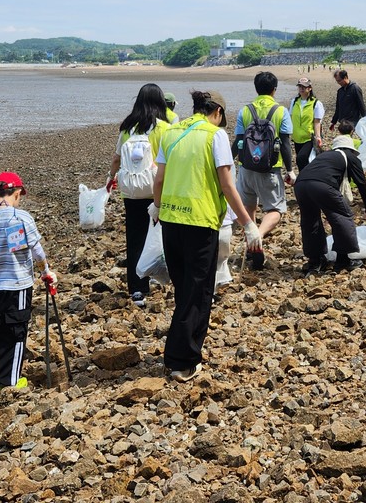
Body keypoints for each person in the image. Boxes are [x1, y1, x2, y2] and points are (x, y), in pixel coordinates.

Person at [154, 90, 260, 381]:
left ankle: (179, 353)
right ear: (218, 112)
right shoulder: (215, 136)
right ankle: (182, 360)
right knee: (197, 292)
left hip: (170, 221)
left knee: (183, 288)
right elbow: (227, 185)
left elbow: (159, 178)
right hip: (200, 223)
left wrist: (157, 205)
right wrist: (248, 223)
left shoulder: (172, 131)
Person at [0, 172, 54, 395]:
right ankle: (8, 381)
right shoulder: (21, 217)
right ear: (17, 194)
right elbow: (36, 250)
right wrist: (46, 272)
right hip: (17, 284)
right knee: (16, 332)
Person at [106, 83, 171, 307]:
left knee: (134, 238)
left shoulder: (127, 127)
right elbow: (168, 160)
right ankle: (158, 275)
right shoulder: (163, 127)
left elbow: (116, 158)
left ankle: (137, 289)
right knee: (159, 235)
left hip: (131, 190)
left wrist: (110, 178)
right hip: (155, 189)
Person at [233, 71, 294, 270]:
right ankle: (257, 236)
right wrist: (290, 170)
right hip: (270, 169)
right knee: (275, 209)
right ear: (274, 90)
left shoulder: (245, 110)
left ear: (256, 88)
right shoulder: (280, 111)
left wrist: (227, 163)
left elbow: (239, 141)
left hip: (246, 168)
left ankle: (253, 243)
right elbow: (285, 143)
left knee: (248, 208)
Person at [294, 133, 366, 275]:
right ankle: (343, 260)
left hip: (300, 185)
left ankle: (315, 261)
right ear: (350, 149)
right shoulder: (350, 157)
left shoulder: (325, 156)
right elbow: (361, 184)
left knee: (310, 221)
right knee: (341, 216)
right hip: (321, 185)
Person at [289, 76, 325, 171]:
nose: (301, 88)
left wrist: (318, 137)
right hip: (296, 138)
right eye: (300, 86)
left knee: (301, 158)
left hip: (309, 137)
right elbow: (291, 117)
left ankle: (307, 177)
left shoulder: (316, 103)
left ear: (309, 88)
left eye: (304, 87)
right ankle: (304, 178)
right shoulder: (294, 102)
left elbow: (317, 122)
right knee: (303, 161)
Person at [330, 69, 366, 133]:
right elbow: (338, 108)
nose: (338, 83)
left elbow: (361, 105)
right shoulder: (340, 91)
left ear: (345, 77)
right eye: (337, 81)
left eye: (339, 81)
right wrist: (333, 122)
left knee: (348, 138)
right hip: (343, 121)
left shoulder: (355, 88)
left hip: (353, 120)